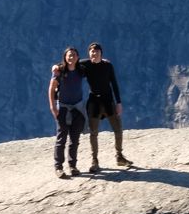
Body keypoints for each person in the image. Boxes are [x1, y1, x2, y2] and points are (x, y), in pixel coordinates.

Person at [82, 41, 133, 171]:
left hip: (108, 101)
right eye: (92, 51)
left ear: (101, 53)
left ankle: (119, 156)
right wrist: (57, 67)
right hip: (94, 102)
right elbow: (70, 63)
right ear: (89, 53)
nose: (94, 53)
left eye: (97, 51)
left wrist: (119, 102)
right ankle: (95, 161)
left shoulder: (108, 66)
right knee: (93, 133)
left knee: (118, 129)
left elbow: (114, 84)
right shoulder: (85, 65)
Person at [48, 47, 89, 179]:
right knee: (62, 139)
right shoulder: (60, 71)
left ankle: (72, 166)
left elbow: (92, 62)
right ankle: (58, 167)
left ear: (77, 57)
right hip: (64, 109)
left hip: (77, 108)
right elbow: (52, 88)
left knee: (75, 139)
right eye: (69, 55)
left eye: (74, 55)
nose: (71, 57)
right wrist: (53, 107)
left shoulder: (81, 70)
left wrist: (102, 60)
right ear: (65, 57)